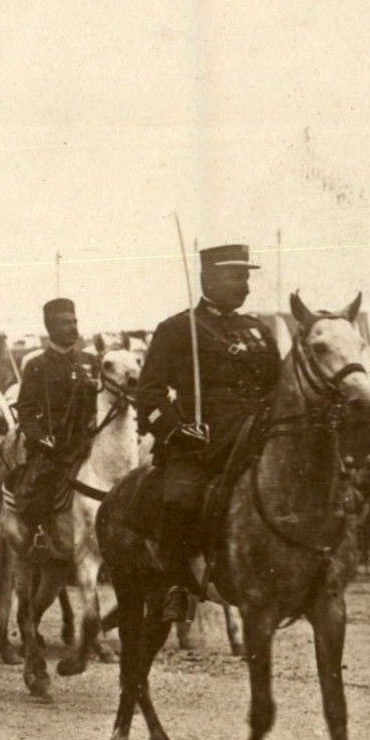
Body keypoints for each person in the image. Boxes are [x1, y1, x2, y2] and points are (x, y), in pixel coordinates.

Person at [137, 243, 280, 616]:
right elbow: (149, 395)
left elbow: (277, 388)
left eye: (246, 277)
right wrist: (177, 430)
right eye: (236, 277)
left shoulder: (259, 331)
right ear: (208, 279)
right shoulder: (176, 329)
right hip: (201, 443)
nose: (244, 286)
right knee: (177, 501)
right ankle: (175, 584)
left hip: (256, 437)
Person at [14, 299, 100, 534]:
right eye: (65, 323)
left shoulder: (89, 362)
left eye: (75, 322)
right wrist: (41, 438)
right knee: (38, 497)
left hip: (87, 443)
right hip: (53, 448)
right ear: (51, 328)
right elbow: (26, 411)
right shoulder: (37, 365)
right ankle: (40, 537)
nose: (73, 328)